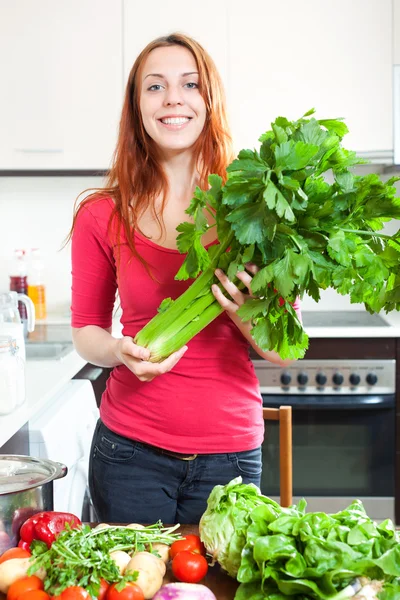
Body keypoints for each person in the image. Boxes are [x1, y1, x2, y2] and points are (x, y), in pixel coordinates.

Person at [70, 33, 301, 524]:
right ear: (137, 107)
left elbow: (284, 351)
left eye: (189, 84)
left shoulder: (258, 211)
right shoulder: (100, 214)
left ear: (208, 100)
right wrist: (119, 352)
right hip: (128, 452)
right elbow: (86, 332)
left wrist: (241, 313)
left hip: (232, 456)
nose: (173, 98)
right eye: (155, 87)